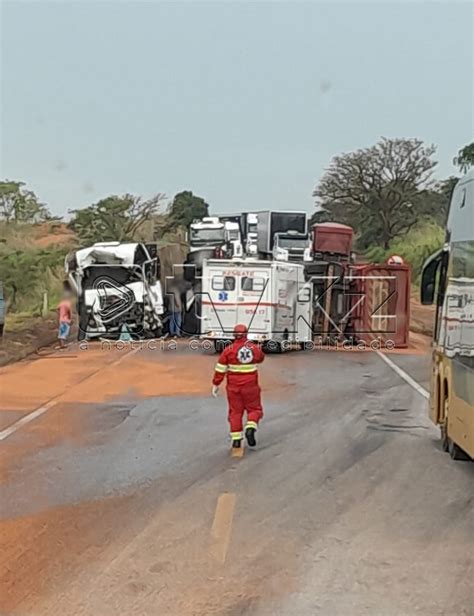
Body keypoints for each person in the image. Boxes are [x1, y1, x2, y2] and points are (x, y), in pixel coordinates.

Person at [212, 324, 265, 449]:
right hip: (251, 386)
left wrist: (216, 383)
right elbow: (261, 358)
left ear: (234, 335)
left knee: (235, 412)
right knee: (254, 410)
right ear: (246, 334)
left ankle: (236, 439)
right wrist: (258, 346)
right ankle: (251, 427)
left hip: (233, 387)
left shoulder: (228, 350)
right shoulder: (253, 348)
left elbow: (220, 369)